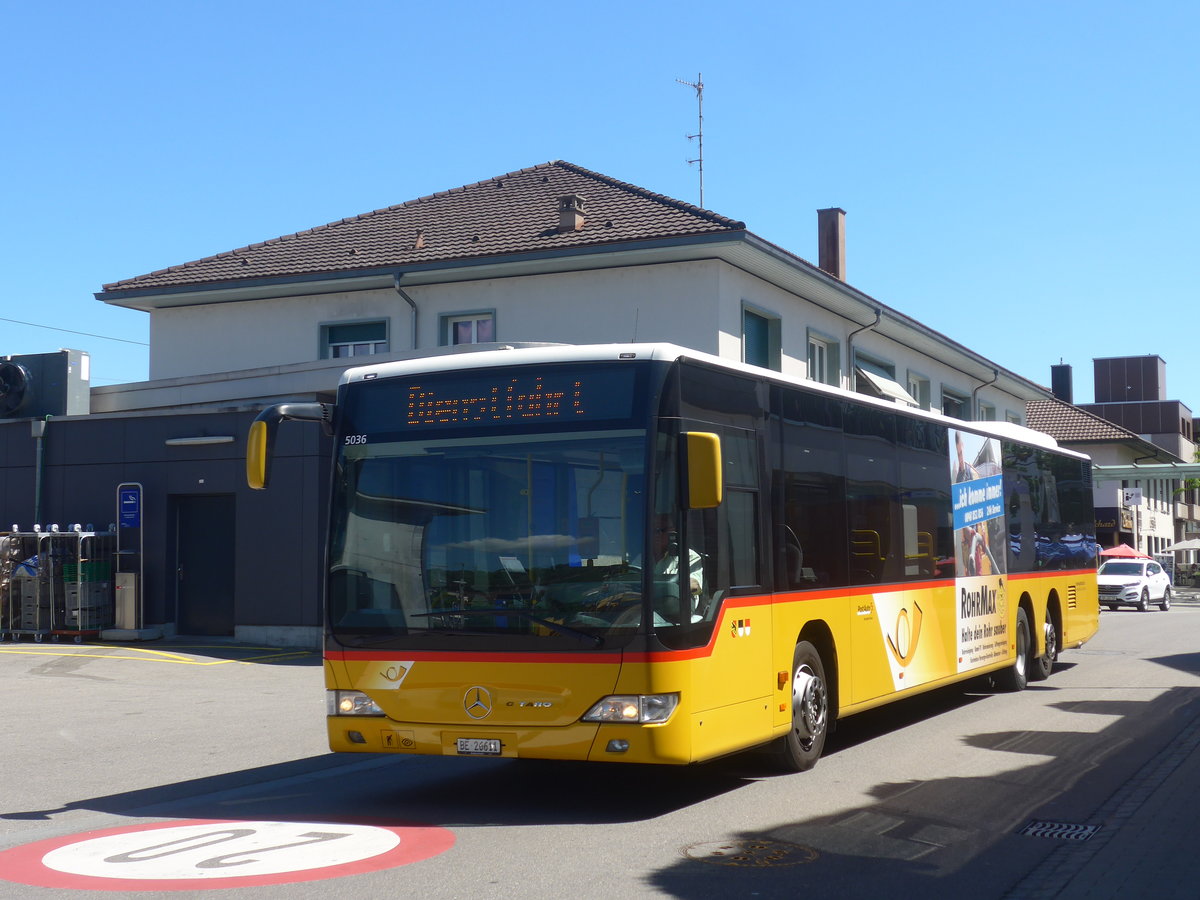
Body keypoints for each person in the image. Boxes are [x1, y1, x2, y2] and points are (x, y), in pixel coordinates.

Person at [651, 515, 704, 603]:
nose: (657, 535)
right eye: (654, 531)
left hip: (678, 611)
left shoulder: (687, 555)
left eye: (661, 530)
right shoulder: (642, 558)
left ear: (672, 532)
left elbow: (694, 585)